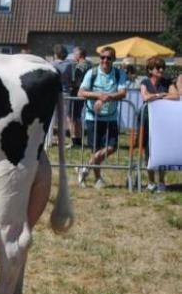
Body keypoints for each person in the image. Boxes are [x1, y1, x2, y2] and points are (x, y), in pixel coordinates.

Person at [76, 46, 127, 189]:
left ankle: (84, 167)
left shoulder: (119, 73)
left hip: (111, 117)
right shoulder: (91, 73)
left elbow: (123, 93)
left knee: (112, 147)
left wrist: (108, 97)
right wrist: (98, 95)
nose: (105, 60)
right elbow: (81, 92)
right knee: (96, 149)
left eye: (108, 58)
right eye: (102, 57)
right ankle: (98, 179)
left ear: (113, 60)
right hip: (93, 117)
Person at [139, 56, 180, 192]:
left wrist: (157, 96)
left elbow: (176, 96)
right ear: (150, 70)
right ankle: (151, 181)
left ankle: (162, 181)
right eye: (158, 67)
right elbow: (145, 97)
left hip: (163, 122)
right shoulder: (144, 81)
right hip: (147, 120)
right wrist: (160, 95)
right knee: (148, 150)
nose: (161, 69)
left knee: (162, 150)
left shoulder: (167, 82)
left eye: (163, 67)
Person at [69, 46, 91, 148]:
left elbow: (77, 81)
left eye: (74, 53)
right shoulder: (89, 64)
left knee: (73, 116)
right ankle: (78, 140)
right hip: (86, 92)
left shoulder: (80, 66)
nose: (73, 56)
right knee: (77, 116)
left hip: (77, 92)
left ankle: (76, 141)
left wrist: (70, 84)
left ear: (79, 55)